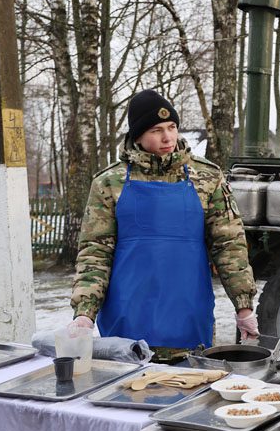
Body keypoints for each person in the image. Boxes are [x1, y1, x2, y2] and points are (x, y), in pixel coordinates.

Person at [69, 90, 258, 362]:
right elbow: (95, 252)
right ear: (137, 135)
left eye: (172, 127)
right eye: (156, 130)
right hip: (126, 319)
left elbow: (229, 246)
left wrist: (243, 307)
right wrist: (85, 314)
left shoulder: (207, 177)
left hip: (188, 316)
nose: (168, 137)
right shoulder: (109, 183)